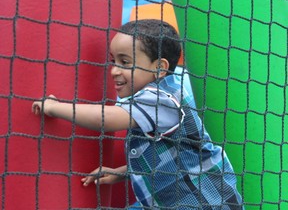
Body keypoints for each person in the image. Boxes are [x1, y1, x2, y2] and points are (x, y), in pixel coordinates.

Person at [32, 19, 243, 209]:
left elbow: (107, 119)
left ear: (159, 68)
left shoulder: (163, 98)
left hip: (206, 202)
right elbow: (169, 157)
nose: (114, 70)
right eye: (114, 61)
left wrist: (54, 107)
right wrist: (123, 173)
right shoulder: (157, 94)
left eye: (125, 62)